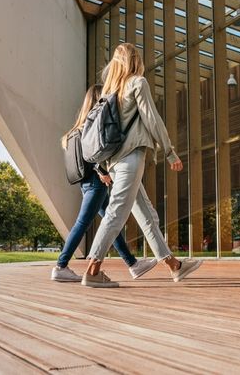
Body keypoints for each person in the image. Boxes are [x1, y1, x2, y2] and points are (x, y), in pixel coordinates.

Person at [82, 43, 202, 288]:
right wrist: (170, 152)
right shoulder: (137, 82)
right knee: (117, 213)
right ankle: (93, 270)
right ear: (135, 60)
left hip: (115, 162)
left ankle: (174, 266)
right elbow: (152, 118)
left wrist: (104, 167)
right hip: (130, 159)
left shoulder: (109, 91)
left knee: (147, 214)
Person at [53, 84, 157, 282]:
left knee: (110, 223)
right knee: (84, 223)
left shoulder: (77, 128)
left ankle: (133, 264)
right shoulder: (91, 126)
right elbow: (92, 152)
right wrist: (101, 171)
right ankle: (61, 265)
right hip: (95, 181)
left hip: (85, 182)